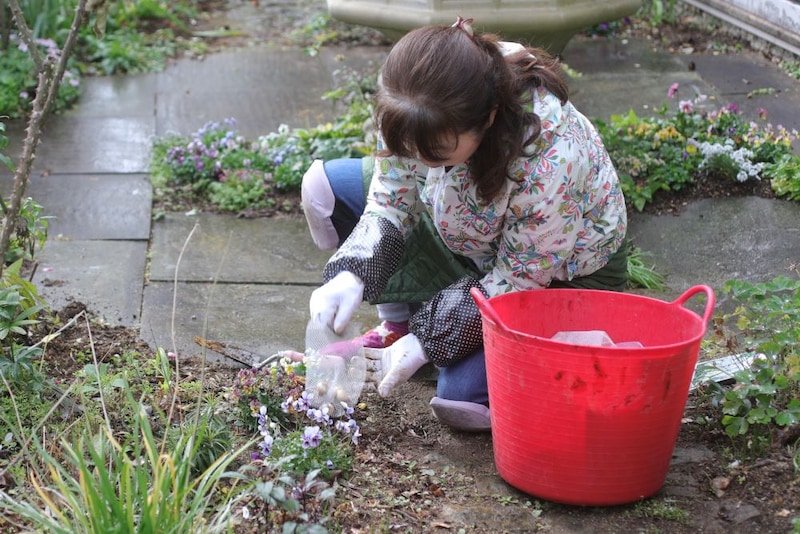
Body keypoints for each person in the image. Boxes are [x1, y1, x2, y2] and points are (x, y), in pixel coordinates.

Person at [301, 17, 628, 432]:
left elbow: (519, 276)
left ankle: (422, 335)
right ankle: (399, 328)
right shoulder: (413, 99)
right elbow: (391, 200)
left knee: (460, 400)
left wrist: (428, 340)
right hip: (469, 234)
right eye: (407, 150)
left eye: (435, 154)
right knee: (326, 188)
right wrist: (351, 271)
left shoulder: (549, 158)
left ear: (489, 118)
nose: (418, 163)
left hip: (558, 277)